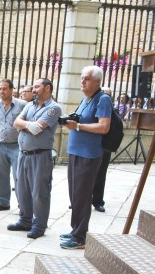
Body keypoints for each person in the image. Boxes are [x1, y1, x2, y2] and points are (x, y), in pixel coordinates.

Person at [60, 66, 112, 250]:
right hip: (76, 152)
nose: (82, 81)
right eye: (82, 78)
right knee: (75, 194)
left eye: (87, 79)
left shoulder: (103, 99)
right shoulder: (86, 99)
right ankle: (76, 229)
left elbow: (103, 127)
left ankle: (80, 237)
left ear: (97, 81)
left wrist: (79, 126)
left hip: (88, 154)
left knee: (82, 196)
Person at [9, 78, 62, 239]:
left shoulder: (54, 108)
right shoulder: (29, 105)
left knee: (40, 192)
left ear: (47, 88)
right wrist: (27, 125)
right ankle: (25, 220)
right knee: (22, 189)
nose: (33, 90)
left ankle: (39, 225)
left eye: (37, 87)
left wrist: (24, 125)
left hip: (40, 155)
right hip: (24, 154)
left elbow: (37, 128)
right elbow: (16, 122)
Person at [0, 79, 26, 211]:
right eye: (0, 89)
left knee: (19, 176)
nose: (1, 91)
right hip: (1, 146)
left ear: (12, 90)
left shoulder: (22, 105)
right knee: (2, 175)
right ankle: (3, 202)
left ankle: (23, 205)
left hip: (17, 146)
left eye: (4, 89)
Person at [92, 86, 114, 213]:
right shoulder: (91, 104)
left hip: (104, 145)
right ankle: (82, 199)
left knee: (100, 174)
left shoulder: (111, 110)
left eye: (106, 94)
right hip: (89, 144)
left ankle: (98, 201)